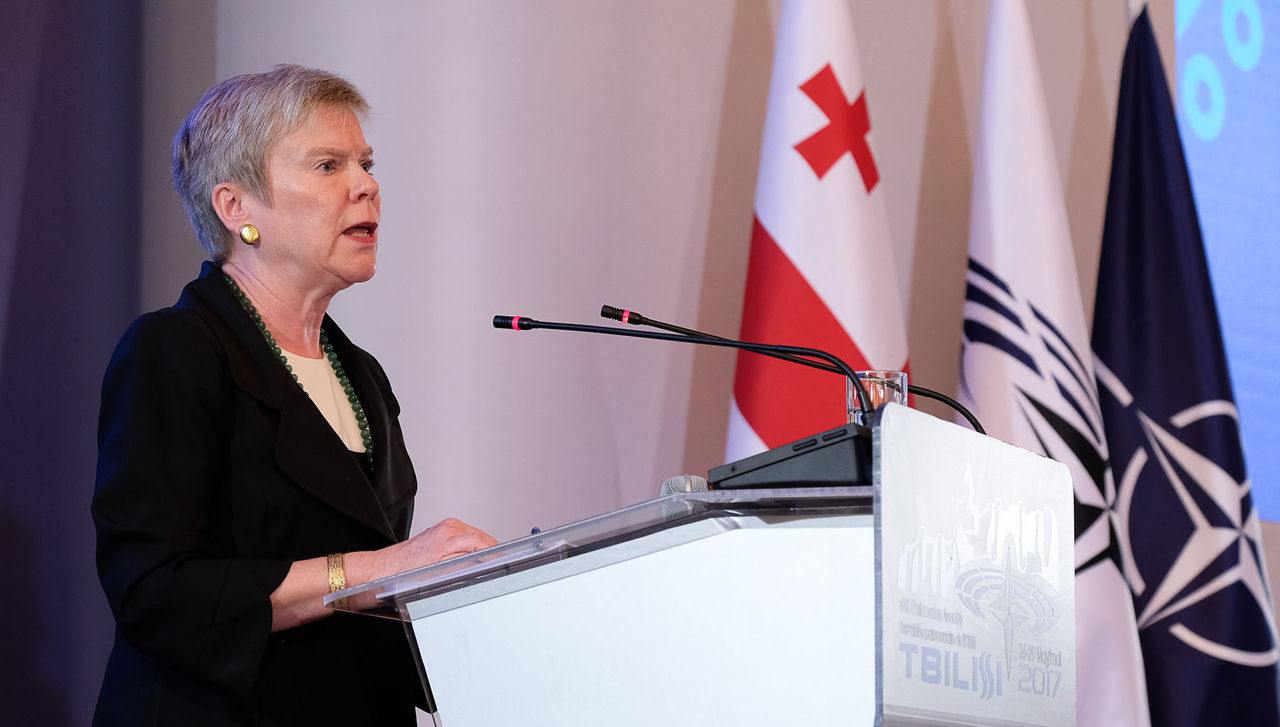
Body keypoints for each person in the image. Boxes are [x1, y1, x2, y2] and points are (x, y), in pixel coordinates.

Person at [90, 65, 497, 726]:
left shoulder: (359, 372)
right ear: (237, 208)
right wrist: (382, 566)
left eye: (364, 163)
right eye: (328, 165)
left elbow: (370, 599)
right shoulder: (176, 351)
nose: (366, 185)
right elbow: (156, 590)